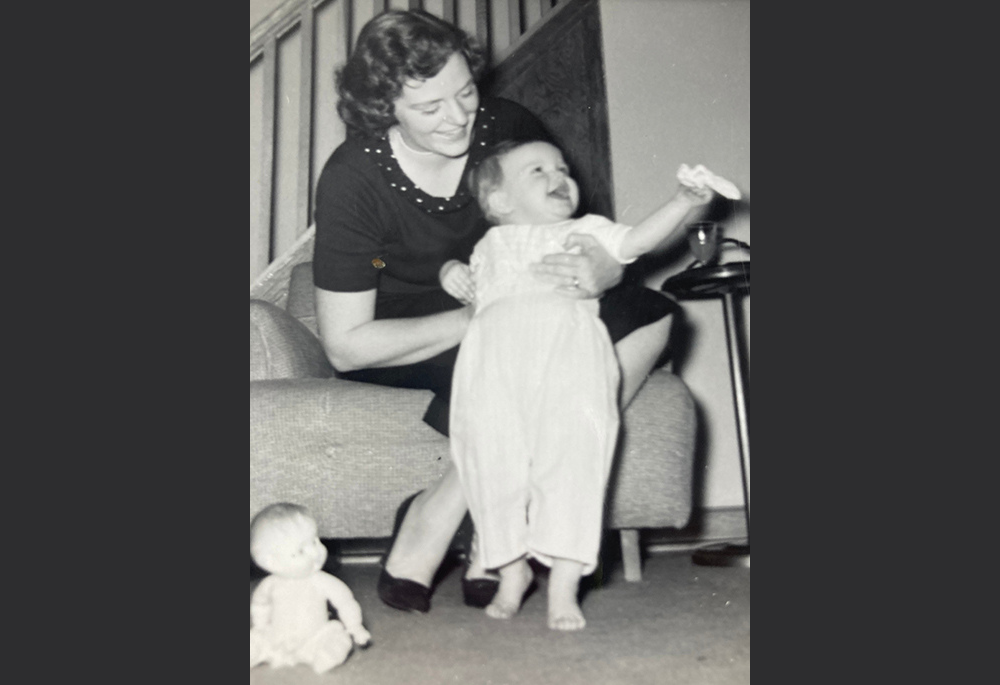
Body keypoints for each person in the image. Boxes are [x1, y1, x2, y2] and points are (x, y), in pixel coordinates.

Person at [312, 9, 677, 614]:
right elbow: (347, 345)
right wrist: (483, 317)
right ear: (383, 109)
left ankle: (494, 507)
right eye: (430, 108)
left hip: (526, 300)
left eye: (464, 92)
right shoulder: (353, 178)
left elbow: (588, 231)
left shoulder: (506, 126)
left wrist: (605, 269)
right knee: (513, 351)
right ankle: (445, 511)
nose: (458, 117)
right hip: (416, 334)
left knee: (650, 313)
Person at [443, 140, 714, 630]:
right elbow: (458, 278)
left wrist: (683, 202)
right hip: (492, 366)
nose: (559, 176)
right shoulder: (487, 246)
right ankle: (511, 571)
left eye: (563, 168)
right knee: (489, 461)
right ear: (500, 202)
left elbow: (636, 242)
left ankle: (565, 585)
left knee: (573, 461)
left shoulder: (584, 232)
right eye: (537, 170)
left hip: (568, 361)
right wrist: (451, 273)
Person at [250, 503, 371, 673]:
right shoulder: (269, 584)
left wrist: (355, 627)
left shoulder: (321, 581)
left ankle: (326, 656)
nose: (315, 553)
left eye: (314, 541)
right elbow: (260, 605)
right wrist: (260, 626)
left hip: (316, 637)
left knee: (338, 636)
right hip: (277, 639)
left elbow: (345, 602)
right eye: (300, 551)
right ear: (270, 562)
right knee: (256, 639)